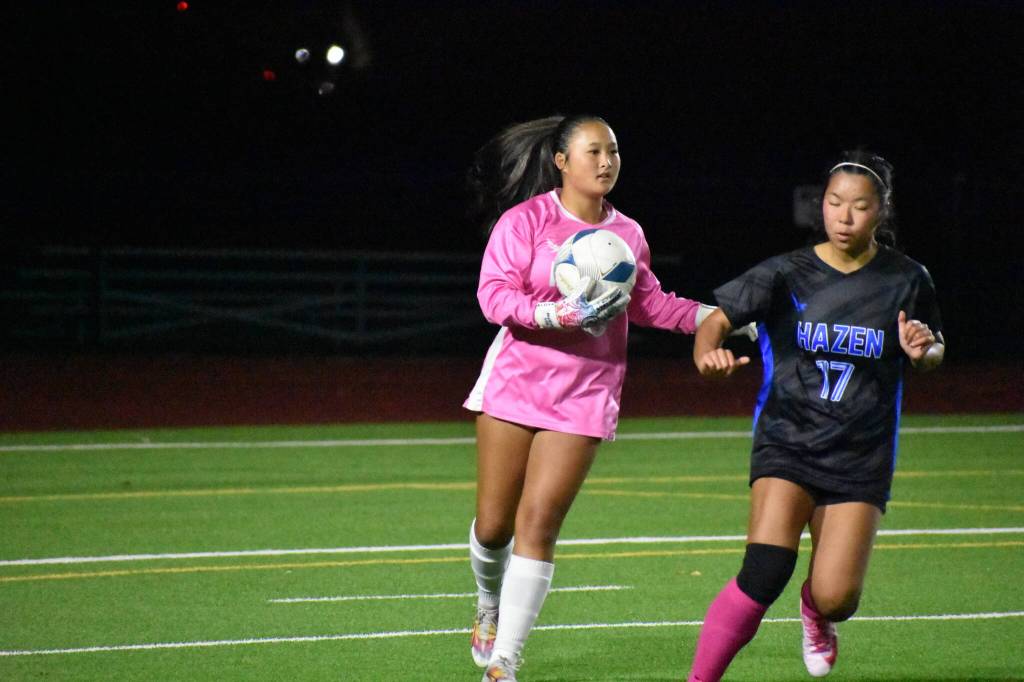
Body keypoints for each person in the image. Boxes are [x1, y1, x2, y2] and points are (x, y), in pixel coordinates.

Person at [462, 114, 750, 682]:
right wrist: (552, 313)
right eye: (593, 151)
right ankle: (488, 602)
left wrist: (721, 318)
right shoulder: (524, 222)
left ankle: (505, 662)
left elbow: (651, 303)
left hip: (585, 393)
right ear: (561, 162)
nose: (606, 162)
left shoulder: (629, 235)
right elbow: (494, 297)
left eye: (613, 151)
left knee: (538, 521)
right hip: (517, 381)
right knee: (494, 525)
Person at [685, 150, 945, 681]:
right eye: (833, 203)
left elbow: (934, 348)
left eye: (859, 207)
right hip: (788, 439)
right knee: (764, 571)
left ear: (882, 212)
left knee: (837, 597)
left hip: (861, 452)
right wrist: (705, 352)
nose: (844, 217)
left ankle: (816, 611)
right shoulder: (786, 272)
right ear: (819, 206)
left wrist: (923, 351)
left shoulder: (907, 279)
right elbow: (716, 319)